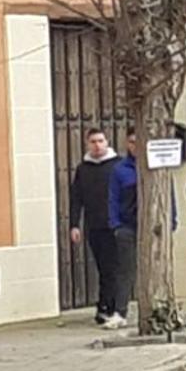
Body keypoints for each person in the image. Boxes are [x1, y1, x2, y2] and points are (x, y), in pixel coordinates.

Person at [108, 129, 175, 329]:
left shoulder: (158, 165)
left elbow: (168, 194)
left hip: (154, 227)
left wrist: (172, 220)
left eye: (139, 141)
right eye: (131, 142)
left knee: (158, 267)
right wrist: (116, 225)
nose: (135, 146)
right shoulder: (120, 170)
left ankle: (160, 308)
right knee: (126, 271)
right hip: (127, 226)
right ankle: (120, 311)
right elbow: (113, 198)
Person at [68, 128, 120, 326]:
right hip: (94, 225)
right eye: (93, 142)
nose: (97, 145)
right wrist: (74, 224)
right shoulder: (83, 169)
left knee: (113, 268)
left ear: (107, 142)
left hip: (115, 225)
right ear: (87, 144)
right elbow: (76, 198)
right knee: (103, 267)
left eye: (100, 141)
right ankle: (106, 305)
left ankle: (109, 306)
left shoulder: (117, 165)